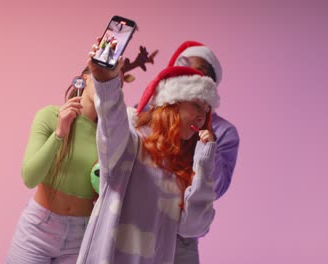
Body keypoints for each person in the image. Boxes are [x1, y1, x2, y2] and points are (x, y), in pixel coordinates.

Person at [77, 42, 221, 263]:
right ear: (172, 102)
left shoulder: (186, 166)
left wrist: (204, 163)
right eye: (196, 105)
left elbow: (193, 227)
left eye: (206, 109)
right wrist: (107, 81)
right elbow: (111, 119)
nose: (203, 116)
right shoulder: (131, 141)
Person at [5, 67, 98, 263]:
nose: (109, 85)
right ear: (84, 79)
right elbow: (29, 178)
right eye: (103, 77)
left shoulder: (108, 137)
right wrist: (59, 134)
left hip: (80, 236)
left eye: (117, 83)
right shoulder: (50, 115)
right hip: (38, 230)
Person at [168, 41, 240, 264]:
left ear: (211, 83)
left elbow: (216, 187)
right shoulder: (149, 115)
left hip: (182, 238)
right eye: (185, 69)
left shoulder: (223, 132)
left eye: (199, 73)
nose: (191, 77)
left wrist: (207, 139)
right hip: (139, 227)